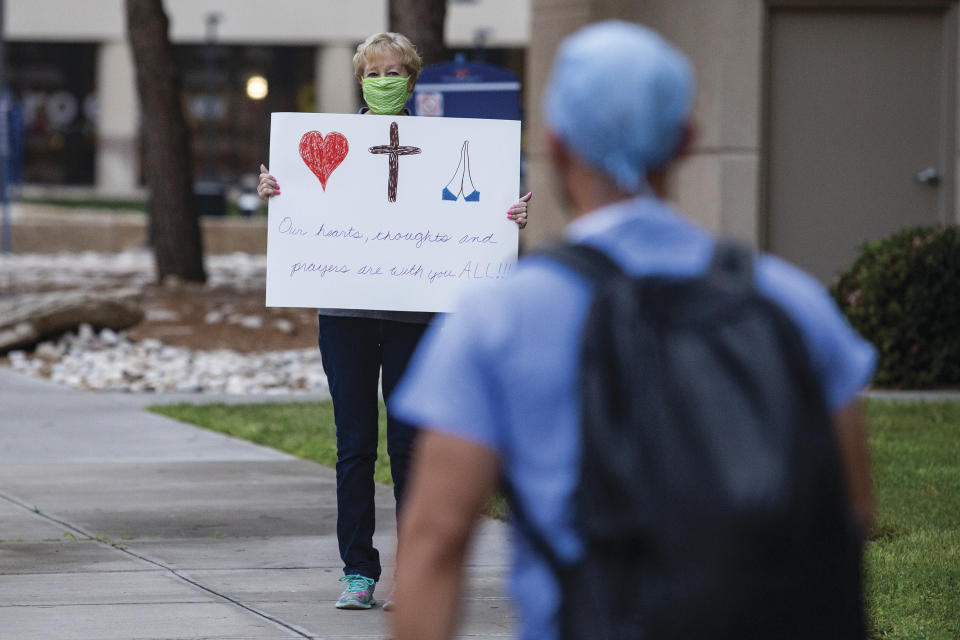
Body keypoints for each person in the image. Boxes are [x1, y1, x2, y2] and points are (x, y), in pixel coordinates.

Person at [388, 21, 876, 640]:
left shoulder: (501, 318)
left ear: (558, 145)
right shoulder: (793, 303)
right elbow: (851, 514)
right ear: (687, 140)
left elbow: (435, 543)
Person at [257, 31, 531, 611]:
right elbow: (305, 204)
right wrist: (277, 191)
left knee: (409, 446)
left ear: (414, 76)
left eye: (395, 71)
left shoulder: (449, 143)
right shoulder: (326, 142)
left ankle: (416, 568)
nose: (385, 81)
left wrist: (506, 217)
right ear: (360, 79)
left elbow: (473, 210)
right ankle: (358, 570)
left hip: (417, 317)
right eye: (374, 72)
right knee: (354, 445)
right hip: (346, 317)